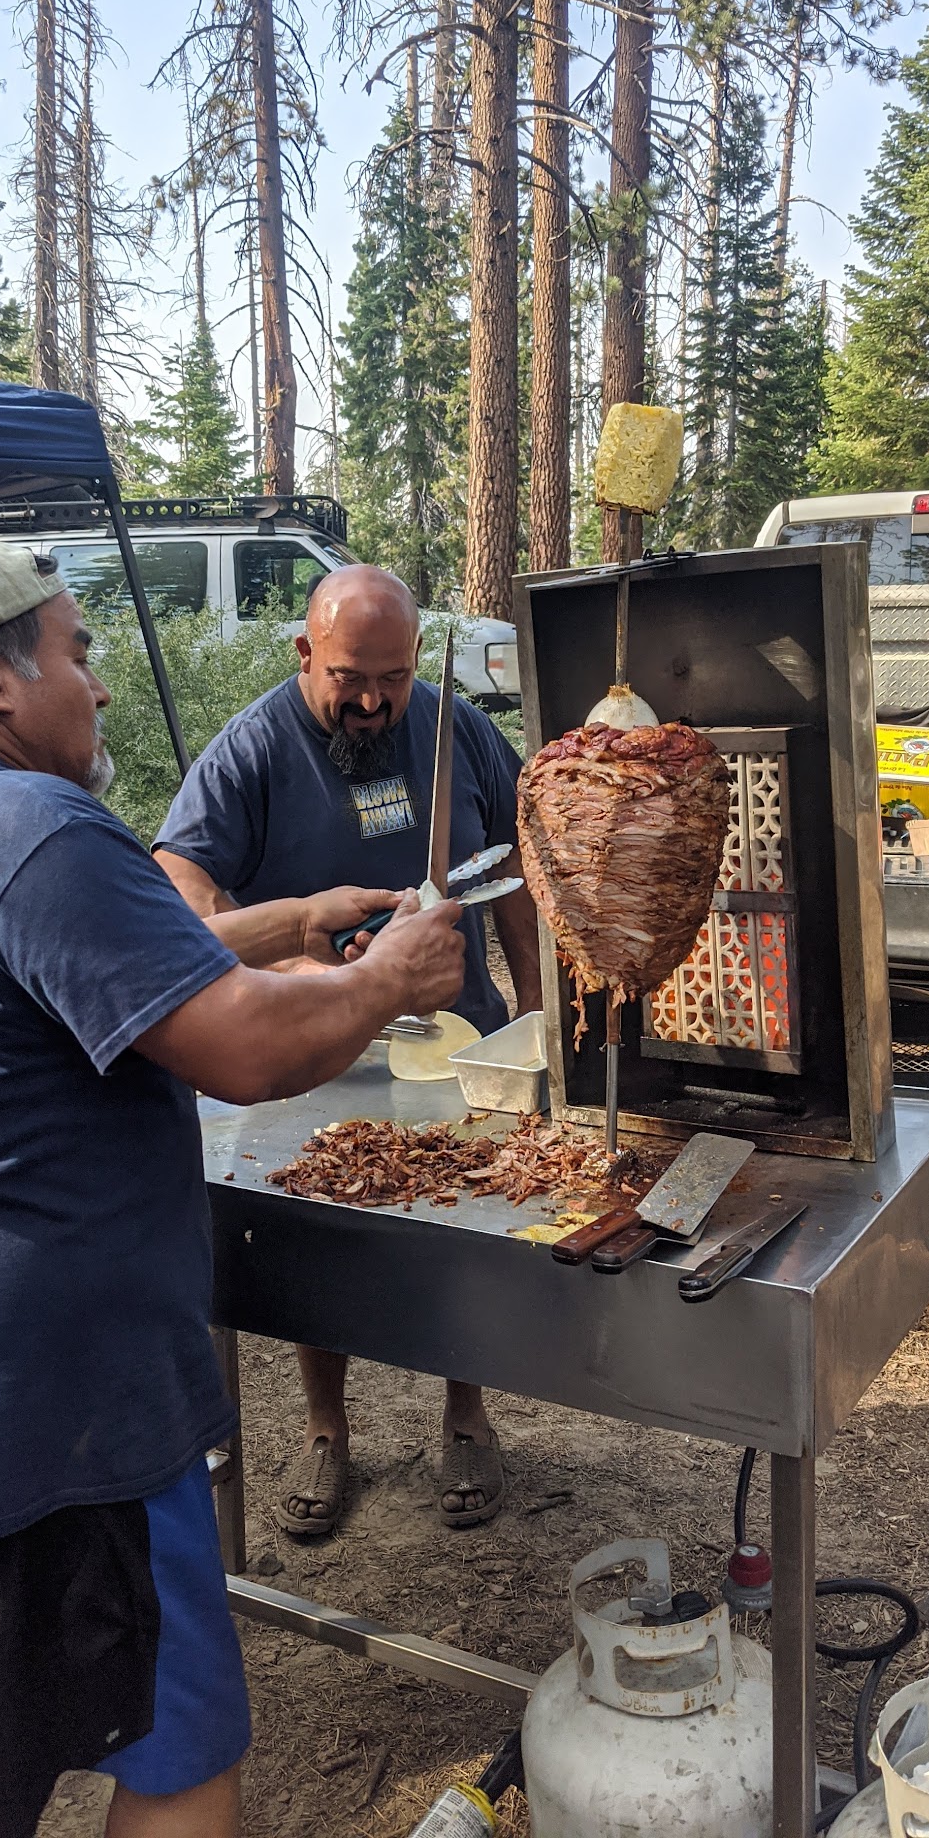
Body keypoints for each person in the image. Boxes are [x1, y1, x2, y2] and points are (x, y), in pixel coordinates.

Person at [0, 543, 466, 1838]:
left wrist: (293, 923)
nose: (100, 685)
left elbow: (96, 959)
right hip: (61, 1413)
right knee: (182, 1760)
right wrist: (387, 978)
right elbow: (246, 1049)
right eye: (79, 651)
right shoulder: (36, 826)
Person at [153, 565, 544, 1541]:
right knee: (318, 1239)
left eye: (393, 679)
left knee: (463, 1231)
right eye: (349, 679)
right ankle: (327, 1427)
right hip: (317, 1045)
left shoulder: (458, 731)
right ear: (305, 653)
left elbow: (518, 864)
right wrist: (289, 951)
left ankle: (467, 1413)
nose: (372, 702)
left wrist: (540, 1011)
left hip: (460, 1042)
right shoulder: (252, 750)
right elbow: (180, 886)